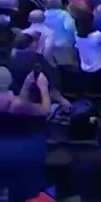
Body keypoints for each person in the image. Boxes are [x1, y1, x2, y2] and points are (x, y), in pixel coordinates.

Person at [0, 67, 51, 202]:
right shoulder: (14, 103)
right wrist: (43, 87)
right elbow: (45, 110)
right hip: (24, 150)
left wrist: (27, 85)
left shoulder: (15, 102)